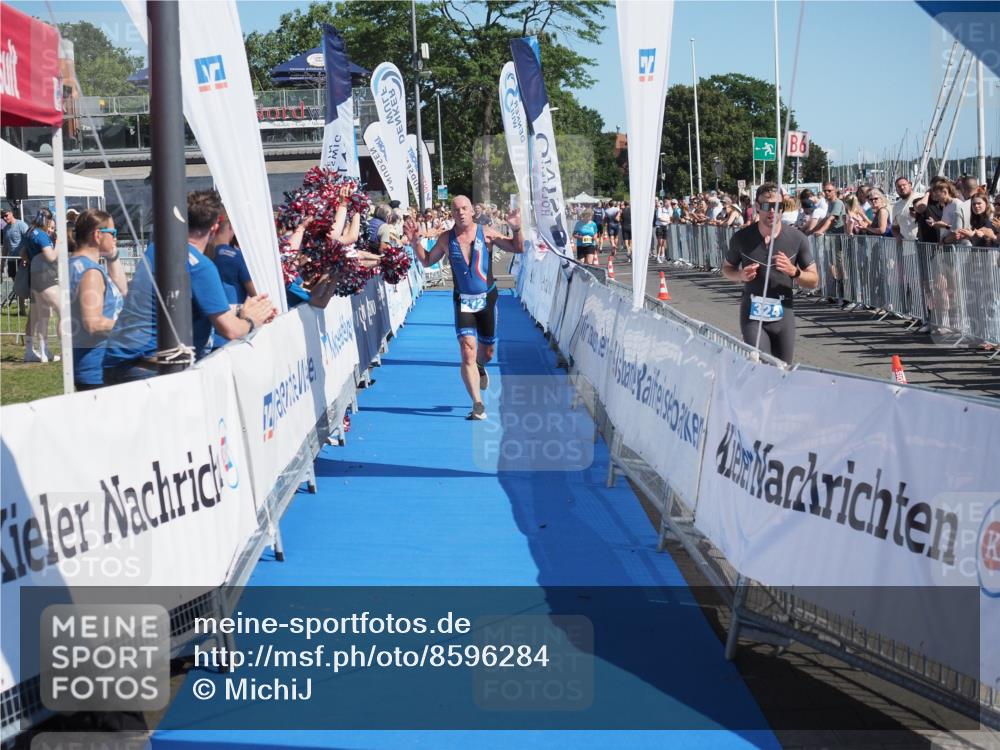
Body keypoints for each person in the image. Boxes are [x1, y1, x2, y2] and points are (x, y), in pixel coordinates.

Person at [104, 190, 275, 383]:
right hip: (149, 370)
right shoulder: (200, 266)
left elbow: (185, 305)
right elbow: (231, 330)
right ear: (215, 227)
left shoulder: (156, 250)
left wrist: (242, 309)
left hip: (120, 364)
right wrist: (251, 320)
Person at [403, 195, 524, 420]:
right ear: (452, 213)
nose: (460, 212)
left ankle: (480, 365)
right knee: (467, 349)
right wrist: (415, 243)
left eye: (464, 208)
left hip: (487, 299)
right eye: (456, 209)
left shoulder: (486, 232)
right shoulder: (445, 239)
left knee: (487, 352)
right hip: (463, 301)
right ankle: (477, 403)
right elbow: (428, 261)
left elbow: (517, 248)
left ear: (471, 211)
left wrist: (517, 229)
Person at [722, 183, 819, 362]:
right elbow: (726, 269)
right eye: (767, 206)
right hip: (753, 314)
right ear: (757, 207)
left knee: (782, 371)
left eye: (778, 206)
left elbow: (814, 281)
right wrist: (740, 276)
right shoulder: (742, 238)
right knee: (763, 367)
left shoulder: (797, 239)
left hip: (784, 315)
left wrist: (794, 272)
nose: (773, 211)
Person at [69, 209, 127, 390]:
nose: (116, 238)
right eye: (113, 233)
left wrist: (112, 254)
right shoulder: (91, 272)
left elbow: (122, 290)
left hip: (92, 367)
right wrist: (131, 326)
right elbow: (93, 323)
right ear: (97, 235)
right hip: (97, 369)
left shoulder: (76, 264)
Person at [206, 216, 256, 348]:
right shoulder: (237, 257)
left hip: (205, 334)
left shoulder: (200, 254)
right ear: (231, 228)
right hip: (231, 332)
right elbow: (255, 293)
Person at [21, 209, 60, 363]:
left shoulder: (29, 232)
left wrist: (32, 260)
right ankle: (46, 352)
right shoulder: (42, 235)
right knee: (58, 312)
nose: (50, 227)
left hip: (34, 278)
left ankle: (32, 352)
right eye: (50, 223)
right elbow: (51, 256)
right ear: (46, 220)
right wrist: (58, 244)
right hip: (44, 279)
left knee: (35, 316)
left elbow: (23, 254)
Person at [3, 207, 30, 315]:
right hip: (11, 261)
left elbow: (29, 240)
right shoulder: (5, 229)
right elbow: (5, 247)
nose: (5, 218)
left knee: (25, 284)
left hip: (22, 260)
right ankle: (22, 310)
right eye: (3, 216)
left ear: (11, 213)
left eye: (6, 215)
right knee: (17, 286)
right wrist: (2, 263)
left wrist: (26, 257)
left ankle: (33, 309)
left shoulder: (21, 225)